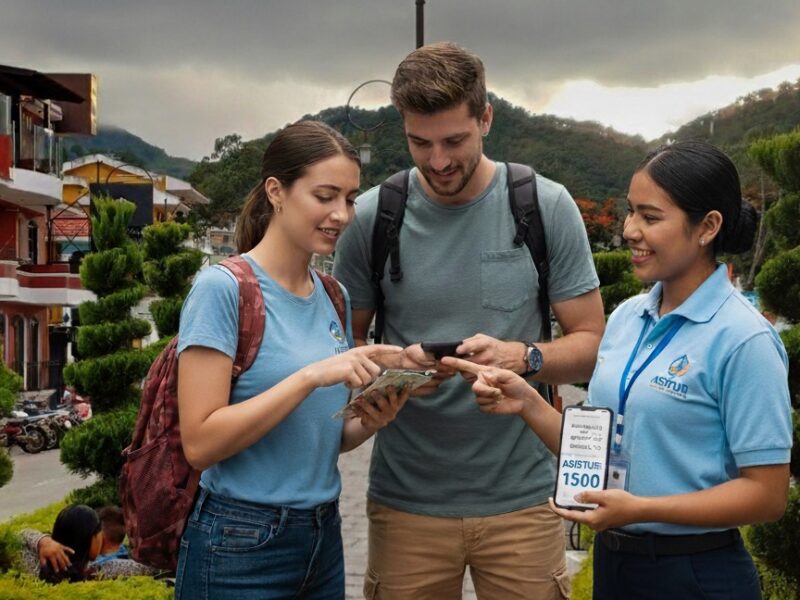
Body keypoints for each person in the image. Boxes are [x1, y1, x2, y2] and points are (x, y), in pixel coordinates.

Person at [444, 141, 793, 599]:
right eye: (630, 213)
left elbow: (766, 495)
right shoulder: (628, 317)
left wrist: (640, 508)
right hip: (616, 565)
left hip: (696, 574)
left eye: (650, 217)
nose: (629, 230)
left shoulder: (743, 339)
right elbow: (598, 449)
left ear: (707, 226)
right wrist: (527, 400)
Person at [333, 42, 604, 599]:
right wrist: (394, 368)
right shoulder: (370, 218)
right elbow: (344, 347)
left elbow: (593, 343)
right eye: (419, 142)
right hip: (406, 503)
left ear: (486, 118)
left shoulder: (543, 206)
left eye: (454, 140)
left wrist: (523, 356)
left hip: (524, 502)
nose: (437, 161)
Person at [174, 120, 408, 600]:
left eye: (349, 198)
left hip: (321, 533)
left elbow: (320, 440)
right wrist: (309, 377)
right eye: (325, 196)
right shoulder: (222, 289)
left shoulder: (333, 295)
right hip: (239, 539)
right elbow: (199, 442)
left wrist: (372, 419)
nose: (341, 214)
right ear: (276, 192)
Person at [20, 504, 158, 582]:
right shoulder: (99, 571)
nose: (101, 537)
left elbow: (18, 537)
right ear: (88, 537)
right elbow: (151, 567)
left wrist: (42, 541)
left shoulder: (37, 566)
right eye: (98, 531)